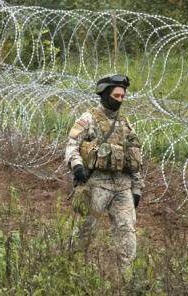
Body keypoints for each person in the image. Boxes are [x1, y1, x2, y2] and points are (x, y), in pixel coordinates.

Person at [65, 74, 144, 270]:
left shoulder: (125, 124)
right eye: (116, 96)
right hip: (97, 184)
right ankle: (71, 267)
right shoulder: (88, 119)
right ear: (105, 94)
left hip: (122, 186)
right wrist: (77, 166)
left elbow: (134, 158)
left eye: (122, 97)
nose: (120, 100)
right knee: (86, 229)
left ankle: (124, 276)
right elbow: (72, 145)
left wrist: (137, 189)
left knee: (127, 232)